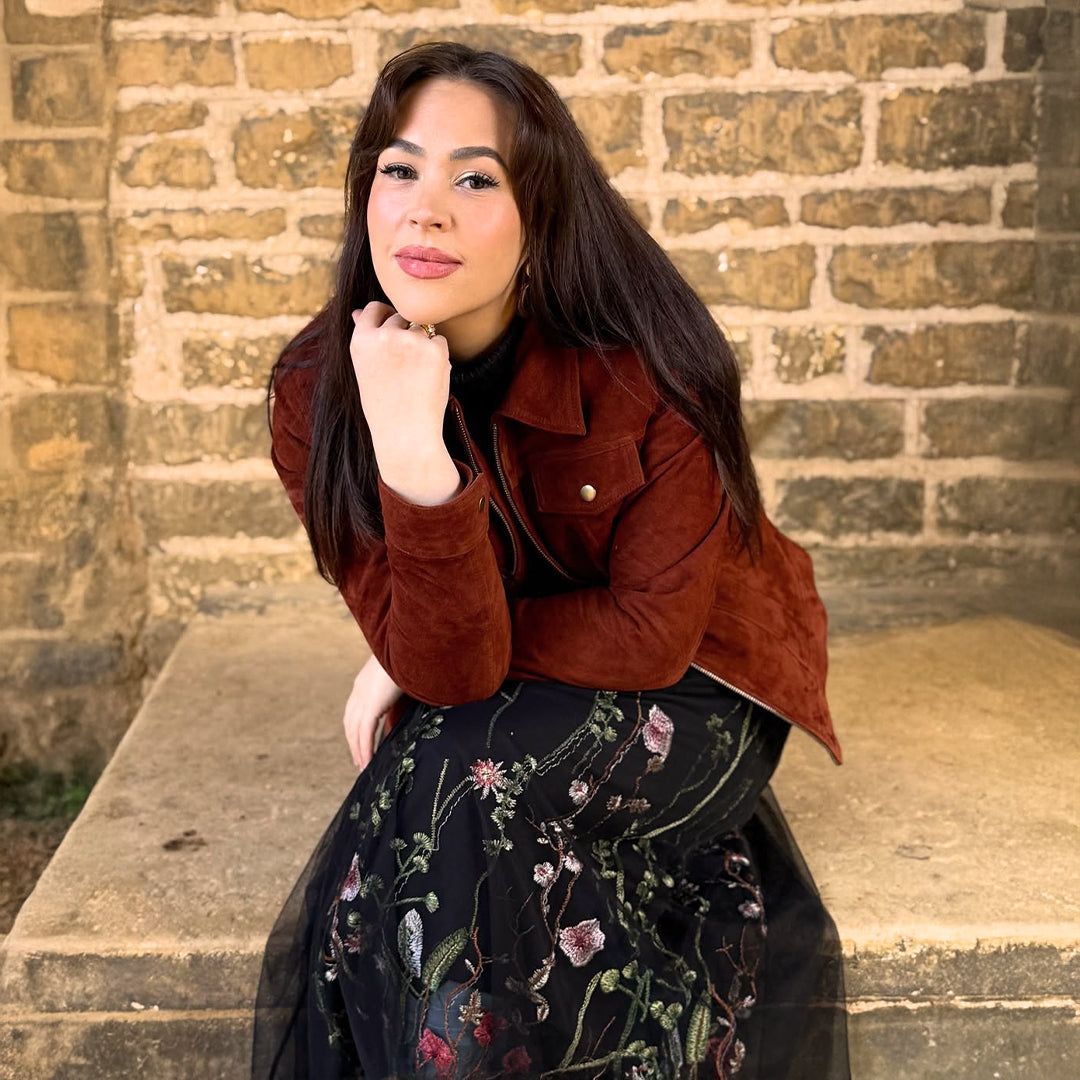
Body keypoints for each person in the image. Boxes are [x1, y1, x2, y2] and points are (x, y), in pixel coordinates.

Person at [251, 41, 850, 1080]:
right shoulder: (322, 391)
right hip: (499, 692)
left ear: (540, 219)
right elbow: (452, 670)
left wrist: (408, 653)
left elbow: (648, 633)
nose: (425, 211)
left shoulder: (647, 361)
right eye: (400, 170)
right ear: (364, 196)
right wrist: (408, 449)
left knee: (446, 779)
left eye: (475, 179)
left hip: (697, 676)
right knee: (452, 783)